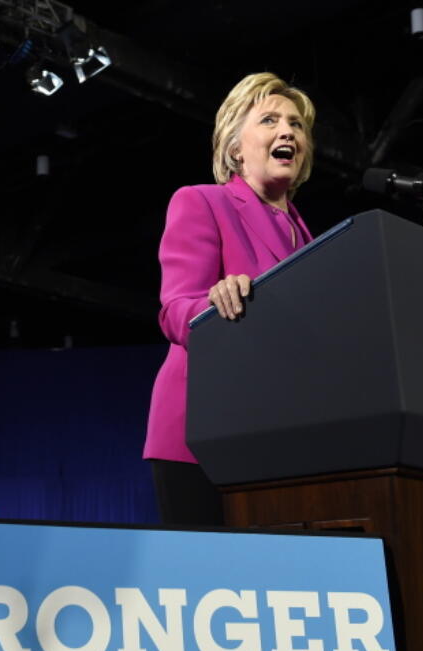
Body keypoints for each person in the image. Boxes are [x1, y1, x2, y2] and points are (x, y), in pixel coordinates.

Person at [143, 72, 316, 525]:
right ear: (236, 147)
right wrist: (214, 305)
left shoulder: (315, 242)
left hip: (281, 437)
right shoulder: (201, 201)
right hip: (202, 435)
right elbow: (175, 310)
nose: (287, 132)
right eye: (270, 120)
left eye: (296, 125)